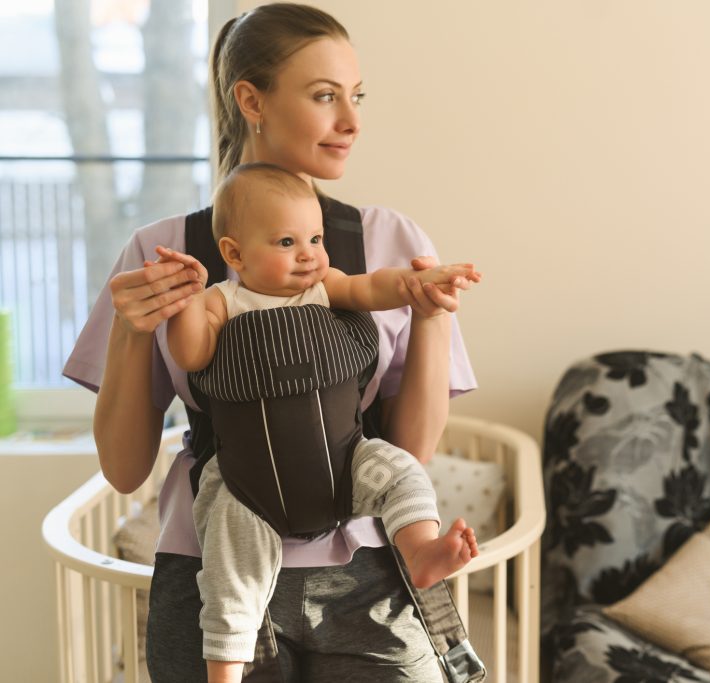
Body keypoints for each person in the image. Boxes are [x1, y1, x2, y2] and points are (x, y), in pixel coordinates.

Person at [63, 4, 478, 681]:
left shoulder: (392, 246)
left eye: (356, 96)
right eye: (324, 96)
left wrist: (431, 315)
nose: (353, 121)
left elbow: (412, 454)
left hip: (371, 571)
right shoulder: (162, 254)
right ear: (251, 101)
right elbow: (123, 468)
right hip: (214, 575)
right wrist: (132, 337)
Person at [149, 161, 480, 683]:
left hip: (346, 467)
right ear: (235, 254)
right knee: (230, 568)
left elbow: (375, 288)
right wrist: (186, 302)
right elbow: (191, 354)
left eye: (315, 238)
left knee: (401, 472)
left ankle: (419, 551)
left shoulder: (327, 286)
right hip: (247, 485)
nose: (308, 254)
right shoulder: (223, 301)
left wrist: (419, 285)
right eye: (286, 242)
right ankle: (224, 670)